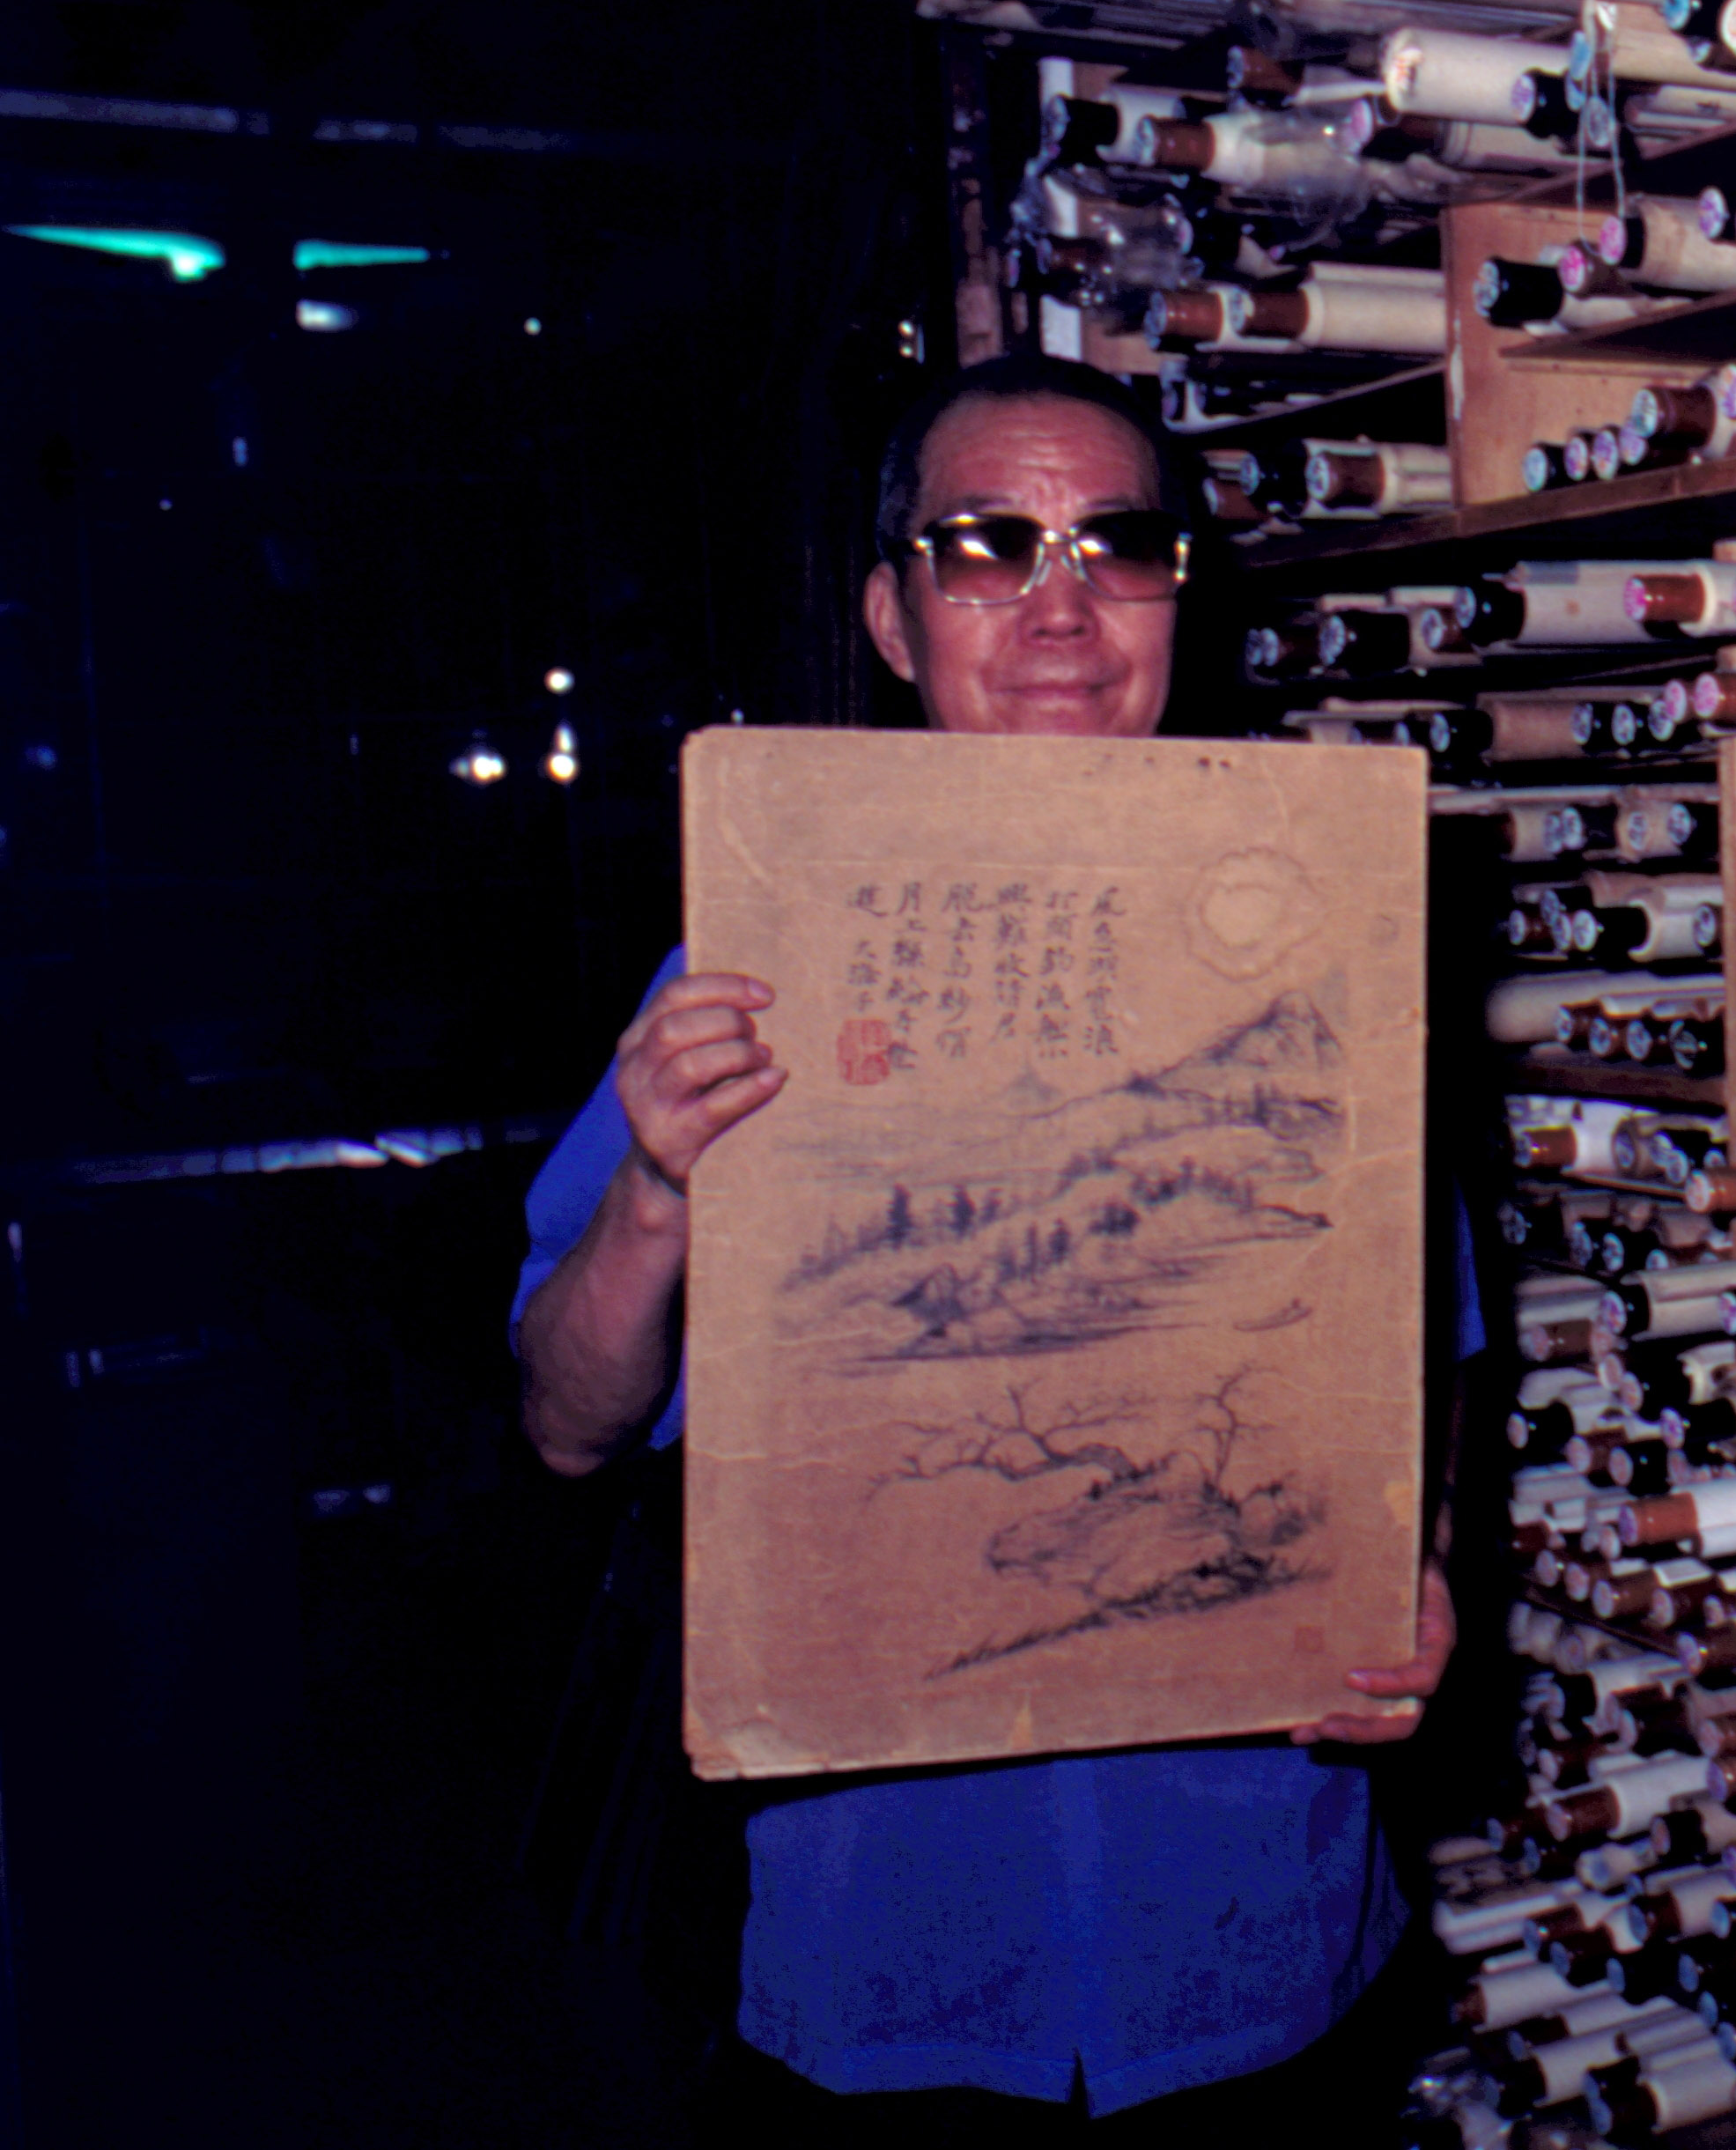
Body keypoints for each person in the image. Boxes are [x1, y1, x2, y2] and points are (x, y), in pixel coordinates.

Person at [513, 353, 1463, 2134]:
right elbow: (566, 1423)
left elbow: (1425, 1362)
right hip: (889, 1964)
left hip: (1255, 1942)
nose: (1061, 609)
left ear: (1180, 596)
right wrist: (657, 1189)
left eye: (1120, 546)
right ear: (892, 616)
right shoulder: (747, 965)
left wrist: (1413, 1572)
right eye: (985, 548)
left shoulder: (1323, 937)